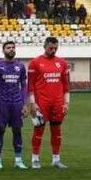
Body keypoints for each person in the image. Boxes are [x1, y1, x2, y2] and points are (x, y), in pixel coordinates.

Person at [28, 36, 71, 169]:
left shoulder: (62, 63)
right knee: (38, 130)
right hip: (41, 103)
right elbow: (30, 86)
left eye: (55, 48)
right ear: (45, 46)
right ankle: (35, 159)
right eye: (51, 48)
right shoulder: (35, 63)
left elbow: (66, 86)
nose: (53, 50)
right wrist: (33, 103)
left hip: (57, 103)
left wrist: (66, 103)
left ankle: (56, 160)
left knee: (56, 130)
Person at [0, 41, 30, 170]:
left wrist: (24, 104)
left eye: (13, 47)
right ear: (3, 50)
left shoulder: (20, 66)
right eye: (8, 48)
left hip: (17, 103)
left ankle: (18, 160)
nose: (11, 49)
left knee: (17, 130)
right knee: (0, 130)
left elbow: (23, 86)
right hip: (2, 103)